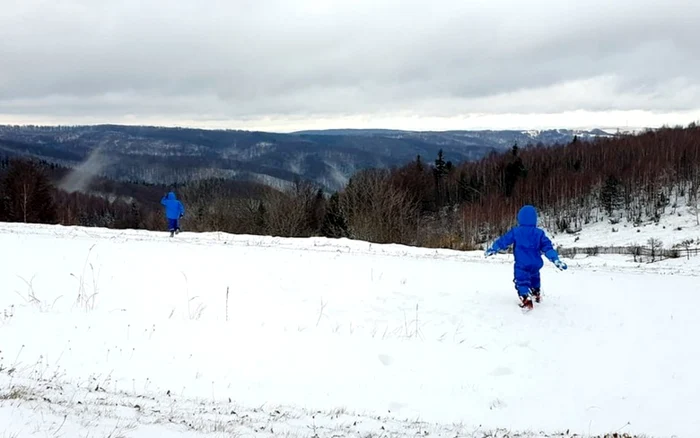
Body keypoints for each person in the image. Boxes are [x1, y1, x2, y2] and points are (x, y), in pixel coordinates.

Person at [484, 204, 567, 308]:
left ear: (520, 218)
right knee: (535, 277)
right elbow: (547, 247)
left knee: (522, 279)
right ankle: (536, 292)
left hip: (522, 263)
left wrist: (494, 248)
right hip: (536, 263)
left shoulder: (516, 231)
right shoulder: (539, 233)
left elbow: (504, 241)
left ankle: (525, 298)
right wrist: (555, 259)